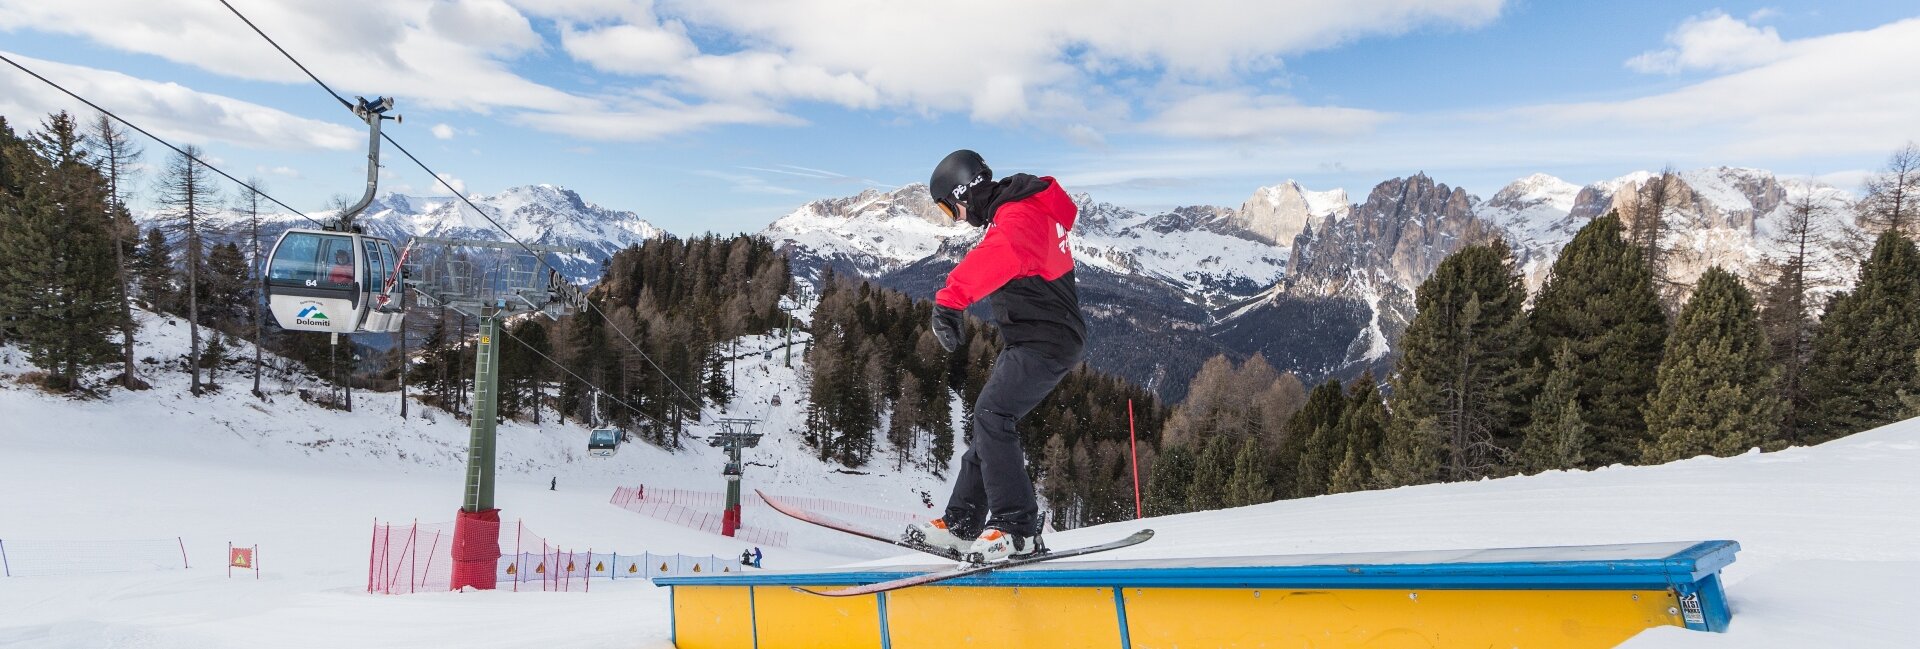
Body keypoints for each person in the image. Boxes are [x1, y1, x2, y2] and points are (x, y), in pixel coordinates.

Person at [903, 150, 1085, 562]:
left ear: (963, 193)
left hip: (1047, 342)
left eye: (951, 208)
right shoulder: (1019, 208)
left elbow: (996, 257)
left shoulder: (1018, 218)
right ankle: (962, 524)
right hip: (1033, 339)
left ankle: (1017, 528)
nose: (956, 217)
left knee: (992, 415)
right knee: (989, 422)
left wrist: (948, 302)